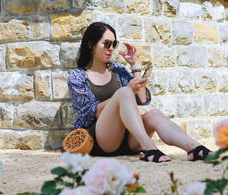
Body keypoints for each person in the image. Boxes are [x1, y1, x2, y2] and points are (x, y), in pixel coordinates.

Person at [67, 22, 211, 163]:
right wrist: (126, 91)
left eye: (114, 44)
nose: (111, 48)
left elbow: (142, 99)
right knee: (124, 92)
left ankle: (194, 148)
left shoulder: (117, 69)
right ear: (90, 44)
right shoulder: (78, 77)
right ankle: (149, 147)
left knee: (154, 114)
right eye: (106, 44)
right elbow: (88, 113)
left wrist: (135, 66)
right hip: (103, 141)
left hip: (129, 139)